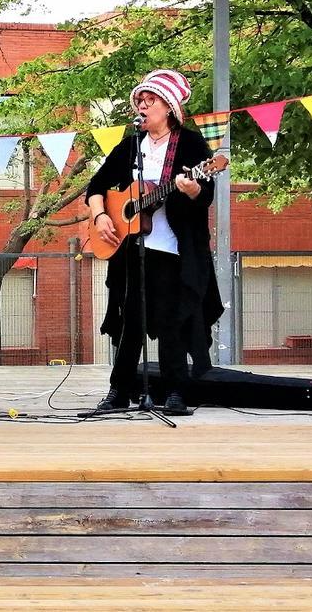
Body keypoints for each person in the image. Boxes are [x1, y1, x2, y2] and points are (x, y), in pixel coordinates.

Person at [87, 69, 223, 415]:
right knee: (130, 320)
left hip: (173, 249)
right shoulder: (131, 144)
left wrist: (192, 186)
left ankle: (176, 391)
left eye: (151, 100)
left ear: (169, 108)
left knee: (170, 321)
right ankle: (119, 391)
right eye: (140, 101)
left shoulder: (191, 145)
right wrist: (102, 216)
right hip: (133, 249)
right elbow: (96, 186)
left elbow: (204, 194)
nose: (143, 106)